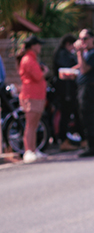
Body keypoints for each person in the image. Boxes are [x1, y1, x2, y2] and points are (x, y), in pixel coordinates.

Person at [18, 35, 47, 163]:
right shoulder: (28, 59)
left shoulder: (32, 59)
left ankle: (34, 149)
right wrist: (45, 71)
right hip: (30, 95)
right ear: (33, 46)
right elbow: (38, 76)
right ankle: (28, 150)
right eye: (38, 44)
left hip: (37, 95)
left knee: (35, 124)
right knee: (30, 124)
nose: (40, 47)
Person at [74, 29, 94, 158]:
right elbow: (80, 67)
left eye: (85, 38)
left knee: (88, 117)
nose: (82, 41)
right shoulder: (86, 53)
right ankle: (91, 145)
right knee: (84, 117)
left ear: (92, 39)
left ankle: (93, 147)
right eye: (80, 39)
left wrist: (79, 53)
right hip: (82, 87)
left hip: (89, 88)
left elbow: (85, 69)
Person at [52, 33, 79, 150]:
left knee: (70, 115)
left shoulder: (63, 53)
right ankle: (63, 141)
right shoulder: (62, 54)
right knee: (65, 115)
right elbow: (67, 70)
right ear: (68, 44)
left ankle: (72, 140)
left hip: (68, 90)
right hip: (65, 91)